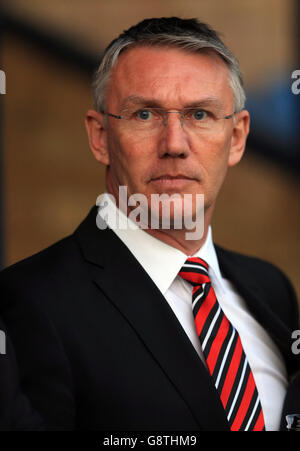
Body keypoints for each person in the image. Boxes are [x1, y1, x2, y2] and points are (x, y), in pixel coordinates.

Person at [0, 17, 299, 431]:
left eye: (199, 113)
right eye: (144, 114)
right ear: (100, 136)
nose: (174, 144)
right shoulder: (29, 302)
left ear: (237, 137)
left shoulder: (272, 289)